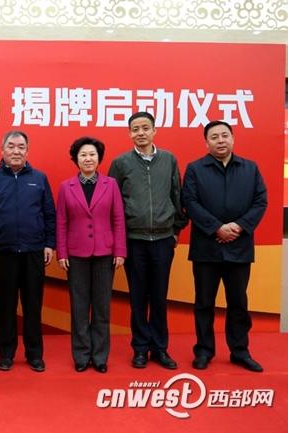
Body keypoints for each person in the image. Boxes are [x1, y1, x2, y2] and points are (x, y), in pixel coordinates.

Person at [182, 120, 267, 373]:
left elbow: (260, 201)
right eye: (214, 137)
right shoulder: (195, 169)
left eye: (224, 135)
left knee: (238, 302)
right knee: (204, 302)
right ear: (206, 142)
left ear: (233, 138)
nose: (220, 140)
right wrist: (217, 227)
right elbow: (190, 202)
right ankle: (204, 350)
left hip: (240, 247)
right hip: (206, 248)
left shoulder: (250, 168)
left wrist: (239, 227)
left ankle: (240, 351)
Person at [108, 111, 187, 370]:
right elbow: (113, 203)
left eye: (145, 128)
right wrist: (118, 239)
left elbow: (177, 195)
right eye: (135, 129)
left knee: (160, 297)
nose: (140, 133)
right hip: (134, 240)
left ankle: (160, 349)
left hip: (163, 239)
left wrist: (175, 230)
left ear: (154, 131)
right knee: (138, 297)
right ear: (129, 133)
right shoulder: (120, 163)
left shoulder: (169, 159)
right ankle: (140, 348)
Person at [0, 130, 55, 373]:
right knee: (6, 306)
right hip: (3, 253)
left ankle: (35, 354)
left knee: (33, 306)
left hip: (34, 251)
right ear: (2, 150)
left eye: (21, 147)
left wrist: (49, 244)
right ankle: (6, 354)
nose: (16, 151)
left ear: (27, 151)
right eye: (11, 146)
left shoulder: (39, 178)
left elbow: (49, 214)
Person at [56, 136, 126, 374]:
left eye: (92, 154)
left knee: (102, 308)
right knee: (79, 307)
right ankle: (81, 355)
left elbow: (118, 219)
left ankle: (100, 356)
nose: (88, 158)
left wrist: (120, 251)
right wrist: (62, 252)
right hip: (75, 254)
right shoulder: (66, 187)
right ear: (76, 159)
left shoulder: (110, 184)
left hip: (105, 253)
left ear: (99, 158)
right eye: (83, 155)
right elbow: (61, 221)